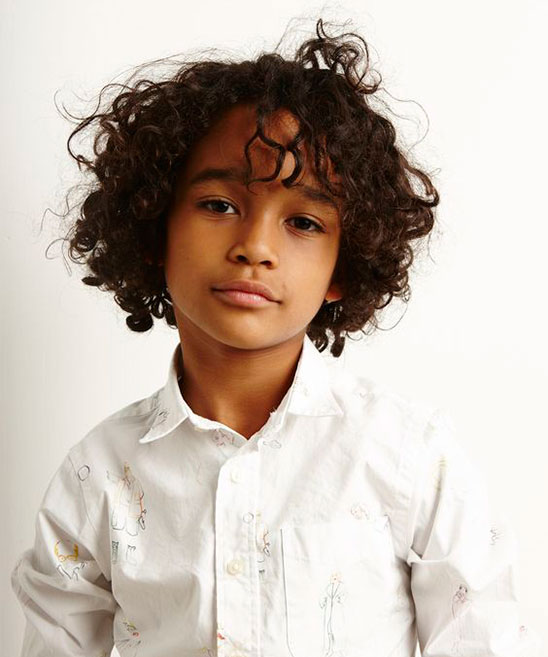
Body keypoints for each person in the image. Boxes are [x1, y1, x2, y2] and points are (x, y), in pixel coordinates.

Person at [11, 17, 541, 657]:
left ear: (343, 268)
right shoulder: (97, 474)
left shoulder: (408, 456)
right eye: (219, 205)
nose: (255, 247)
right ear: (155, 229)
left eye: (304, 222)